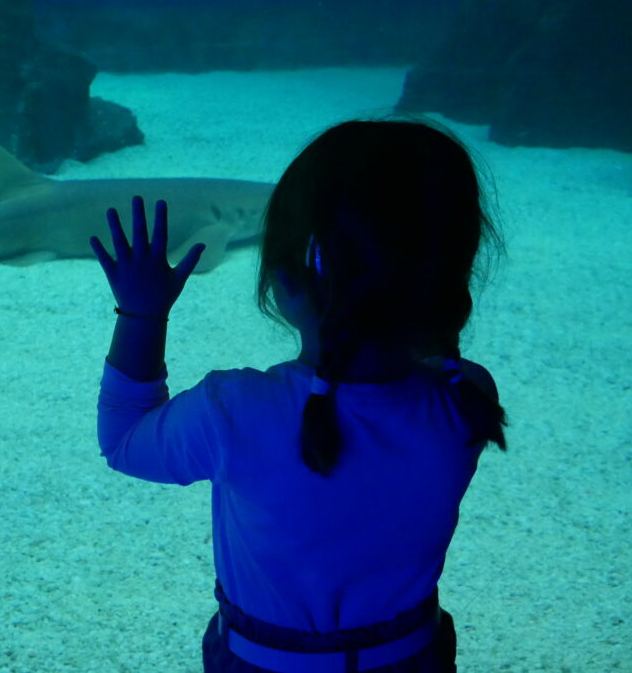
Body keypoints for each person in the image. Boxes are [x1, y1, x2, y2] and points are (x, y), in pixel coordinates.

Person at [90, 118, 508, 673]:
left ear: (287, 275)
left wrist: (142, 313)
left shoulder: (231, 411)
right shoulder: (467, 398)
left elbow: (123, 442)